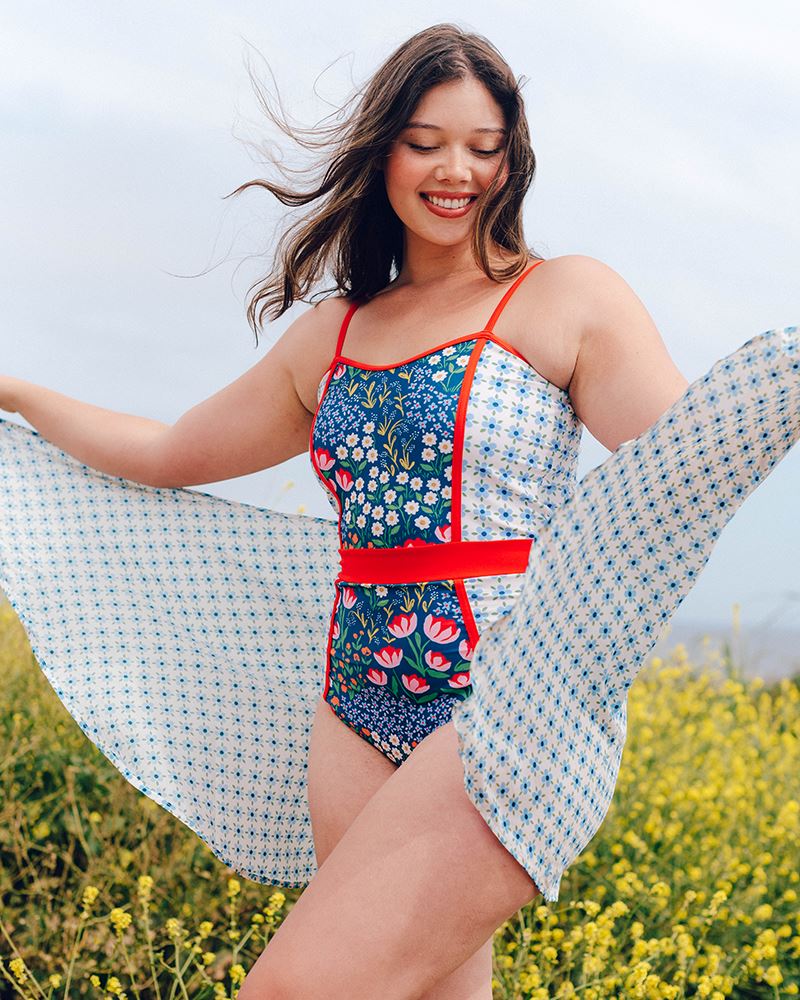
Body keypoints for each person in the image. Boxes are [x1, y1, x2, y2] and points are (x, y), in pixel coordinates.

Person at [0, 22, 797, 1000]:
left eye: (481, 145)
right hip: (352, 709)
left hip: (507, 705)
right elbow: (170, 453)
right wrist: (13, 393)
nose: (453, 169)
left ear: (512, 159)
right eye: (425, 142)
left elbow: (686, 455)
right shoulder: (330, 334)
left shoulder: (565, 299)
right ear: (383, 149)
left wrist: (780, 387)